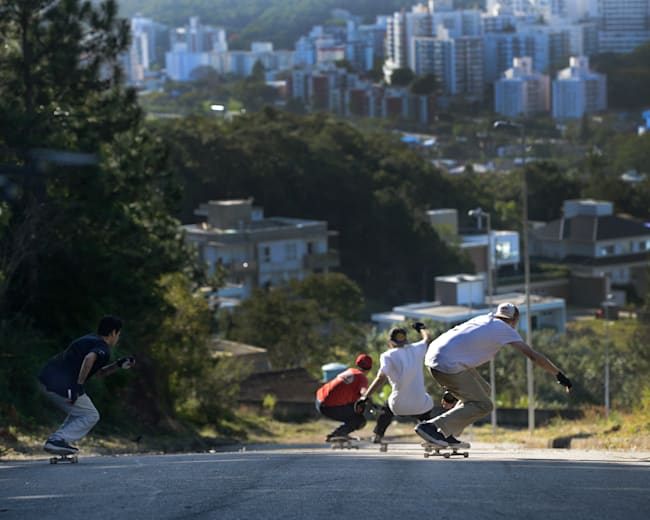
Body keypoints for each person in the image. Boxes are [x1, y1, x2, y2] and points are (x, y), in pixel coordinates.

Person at [415, 302, 573, 447]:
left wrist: (453, 392)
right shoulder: (505, 329)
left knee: (484, 389)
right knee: (484, 405)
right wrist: (559, 375)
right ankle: (431, 427)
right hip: (448, 365)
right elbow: (532, 355)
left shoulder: (483, 319)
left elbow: (461, 343)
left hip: (436, 358)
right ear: (514, 321)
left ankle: (446, 433)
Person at [38, 315, 136, 454]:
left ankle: (59, 440)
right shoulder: (102, 347)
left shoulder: (90, 339)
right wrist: (78, 384)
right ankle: (57, 440)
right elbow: (89, 358)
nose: (118, 338)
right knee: (91, 415)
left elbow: (98, 372)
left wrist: (118, 365)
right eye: (118, 334)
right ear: (113, 332)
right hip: (62, 384)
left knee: (81, 412)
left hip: (48, 378)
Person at [358, 323, 436, 444]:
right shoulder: (416, 349)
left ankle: (378, 435)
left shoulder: (387, 355)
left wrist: (365, 397)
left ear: (390, 342)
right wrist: (422, 328)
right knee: (425, 410)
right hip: (420, 405)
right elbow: (427, 339)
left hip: (398, 406)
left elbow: (380, 378)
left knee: (386, 409)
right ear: (405, 340)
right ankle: (433, 435)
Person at [316, 354, 373, 441]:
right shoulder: (361, 377)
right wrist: (370, 400)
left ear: (357, 364)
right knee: (360, 420)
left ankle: (342, 433)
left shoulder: (350, 371)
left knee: (354, 408)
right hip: (329, 406)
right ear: (369, 369)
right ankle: (338, 434)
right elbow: (363, 392)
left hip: (319, 400)